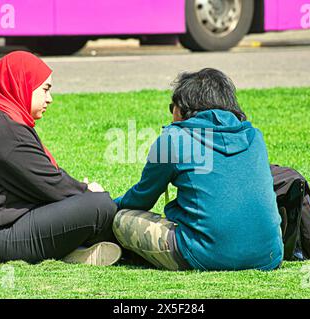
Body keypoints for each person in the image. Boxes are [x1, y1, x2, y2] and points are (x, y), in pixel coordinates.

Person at [0, 51, 122, 265]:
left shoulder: (2, 121)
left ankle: (75, 249)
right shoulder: (4, 132)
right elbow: (52, 185)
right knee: (100, 207)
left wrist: (79, 193)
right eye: (45, 90)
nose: (50, 99)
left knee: (91, 203)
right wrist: (87, 191)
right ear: (22, 85)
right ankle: (90, 247)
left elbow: (42, 180)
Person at [112, 68, 284, 271]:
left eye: (171, 107)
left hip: (204, 256)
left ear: (183, 108)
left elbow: (141, 199)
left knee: (121, 220)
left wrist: (103, 203)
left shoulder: (173, 139)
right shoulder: (255, 136)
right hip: (270, 255)